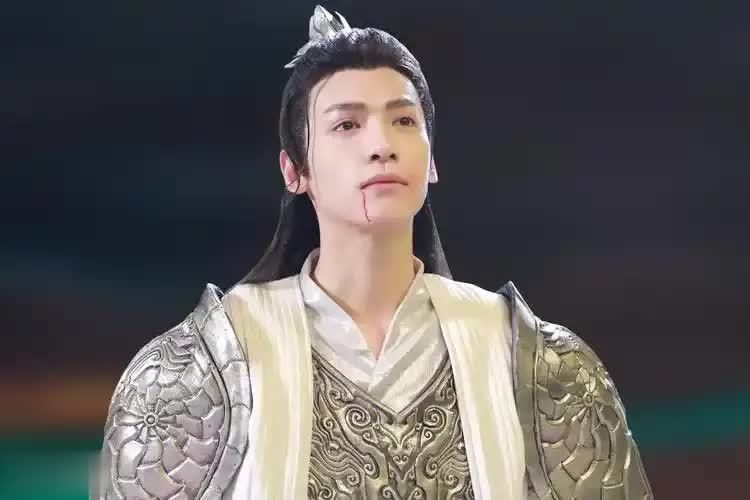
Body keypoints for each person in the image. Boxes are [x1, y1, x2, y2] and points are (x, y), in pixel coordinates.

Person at [96, 6, 653, 499]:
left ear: (431, 161)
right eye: (347, 124)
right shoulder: (200, 370)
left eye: (404, 121)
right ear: (295, 171)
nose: (382, 144)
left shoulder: (537, 365)